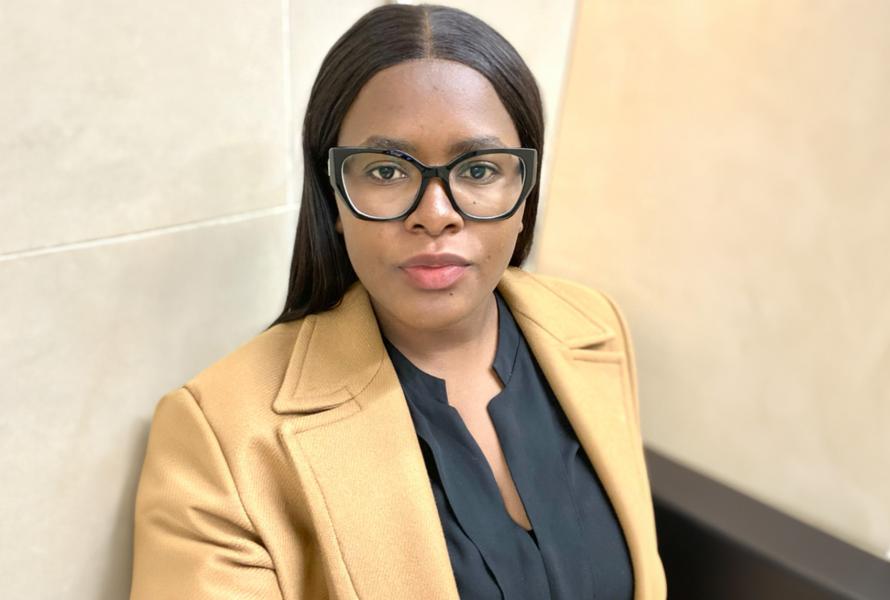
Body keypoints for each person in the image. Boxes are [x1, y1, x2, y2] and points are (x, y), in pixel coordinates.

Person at [129, 4, 666, 599]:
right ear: (333, 195)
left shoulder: (593, 327)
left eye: (480, 168)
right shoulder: (220, 437)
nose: (435, 215)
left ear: (524, 191)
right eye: (386, 171)